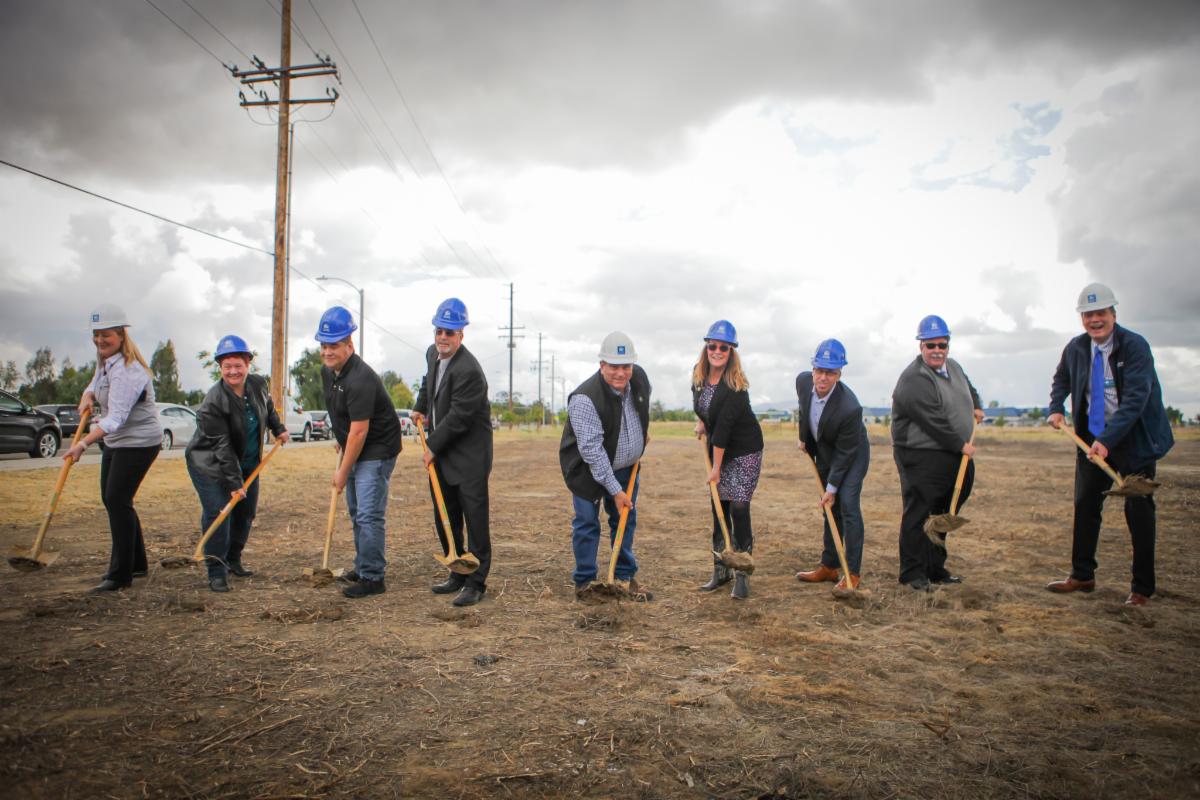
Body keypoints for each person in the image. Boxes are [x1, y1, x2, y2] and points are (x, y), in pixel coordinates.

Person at [1045, 283, 1174, 606]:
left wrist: (1108, 440)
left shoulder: (1134, 347)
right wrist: (1056, 407)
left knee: (1139, 510)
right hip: (1091, 440)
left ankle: (1142, 588)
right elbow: (1061, 379)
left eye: (1100, 313)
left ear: (1113, 314)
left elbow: (1135, 399)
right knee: (1086, 505)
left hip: (1133, 441)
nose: (1094, 320)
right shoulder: (1076, 348)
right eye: (1088, 315)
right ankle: (1082, 574)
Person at [62, 304, 163, 593]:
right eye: (96, 335)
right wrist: (87, 394)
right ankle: (137, 563)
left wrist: (82, 444)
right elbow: (95, 381)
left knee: (117, 499)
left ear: (121, 335)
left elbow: (115, 419)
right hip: (118, 442)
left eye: (105, 334)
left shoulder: (129, 371)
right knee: (115, 499)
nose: (99, 340)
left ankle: (120, 575)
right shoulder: (106, 361)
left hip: (140, 442)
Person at [184, 335, 289, 592]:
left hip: (247, 462)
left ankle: (233, 560)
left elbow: (268, 407)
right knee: (219, 512)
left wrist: (279, 429)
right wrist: (233, 483)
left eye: (238, 365)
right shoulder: (213, 402)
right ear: (220, 367)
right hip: (210, 465)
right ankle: (216, 570)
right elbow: (222, 447)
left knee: (246, 512)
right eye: (227, 366)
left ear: (248, 364)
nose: (233, 371)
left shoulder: (257, 384)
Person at [890, 315, 984, 591]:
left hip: (950, 453)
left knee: (945, 511)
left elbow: (969, 388)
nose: (937, 350)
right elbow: (933, 420)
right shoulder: (914, 379)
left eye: (942, 344)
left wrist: (976, 405)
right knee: (919, 512)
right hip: (920, 454)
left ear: (948, 345)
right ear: (921, 346)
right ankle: (912, 573)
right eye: (930, 345)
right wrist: (960, 444)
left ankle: (935, 569)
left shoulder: (953, 367)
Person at [412, 298, 494, 608]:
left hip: (470, 455)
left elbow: (460, 416)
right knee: (444, 514)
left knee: (474, 518)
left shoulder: (470, 371)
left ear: (461, 334)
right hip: (444, 450)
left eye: (450, 332)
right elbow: (428, 383)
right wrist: (421, 407)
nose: (442, 338)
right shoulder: (433, 353)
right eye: (439, 331)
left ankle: (476, 582)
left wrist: (432, 446)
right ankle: (456, 570)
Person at [317, 306, 402, 599]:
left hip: (377, 449)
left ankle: (373, 577)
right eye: (324, 345)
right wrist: (340, 438)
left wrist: (342, 472)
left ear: (349, 345)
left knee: (368, 513)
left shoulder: (361, 378)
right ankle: (363, 565)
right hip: (355, 443)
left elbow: (360, 431)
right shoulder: (328, 373)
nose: (328, 351)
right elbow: (340, 414)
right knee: (356, 511)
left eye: (334, 345)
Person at [560, 331, 652, 600]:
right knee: (587, 522)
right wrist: (615, 490)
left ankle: (623, 576)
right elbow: (593, 452)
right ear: (602, 365)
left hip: (627, 467)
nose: (620, 373)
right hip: (587, 469)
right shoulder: (584, 399)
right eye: (613, 366)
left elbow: (641, 406)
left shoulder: (640, 379)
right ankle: (585, 582)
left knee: (625, 519)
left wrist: (641, 432)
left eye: (625, 366)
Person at [691, 320, 763, 600]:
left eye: (724, 347)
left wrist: (717, 468)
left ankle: (742, 573)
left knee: (738, 506)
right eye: (712, 346)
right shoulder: (697, 377)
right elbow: (701, 407)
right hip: (717, 448)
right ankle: (720, 571)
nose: (717, 351)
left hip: (744, 450)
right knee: (717, 508)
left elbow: (723, 431)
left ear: (731, 351)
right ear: (706, 347)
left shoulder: (735, 387)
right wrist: (701, 422)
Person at [794, 339, 870, 590]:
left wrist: (832, 486)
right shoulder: (803, 381)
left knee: (846, 504)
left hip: (852, 454)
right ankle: (829, 567)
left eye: (830, 372)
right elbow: (805, 411)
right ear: (812, 368)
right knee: (829, 510)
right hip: (825, 451)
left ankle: (852, 574)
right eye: (819, 370)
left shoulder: (850, 408)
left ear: (839, 374)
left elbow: (846, 453)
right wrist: (804, 438)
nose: (823, 377)